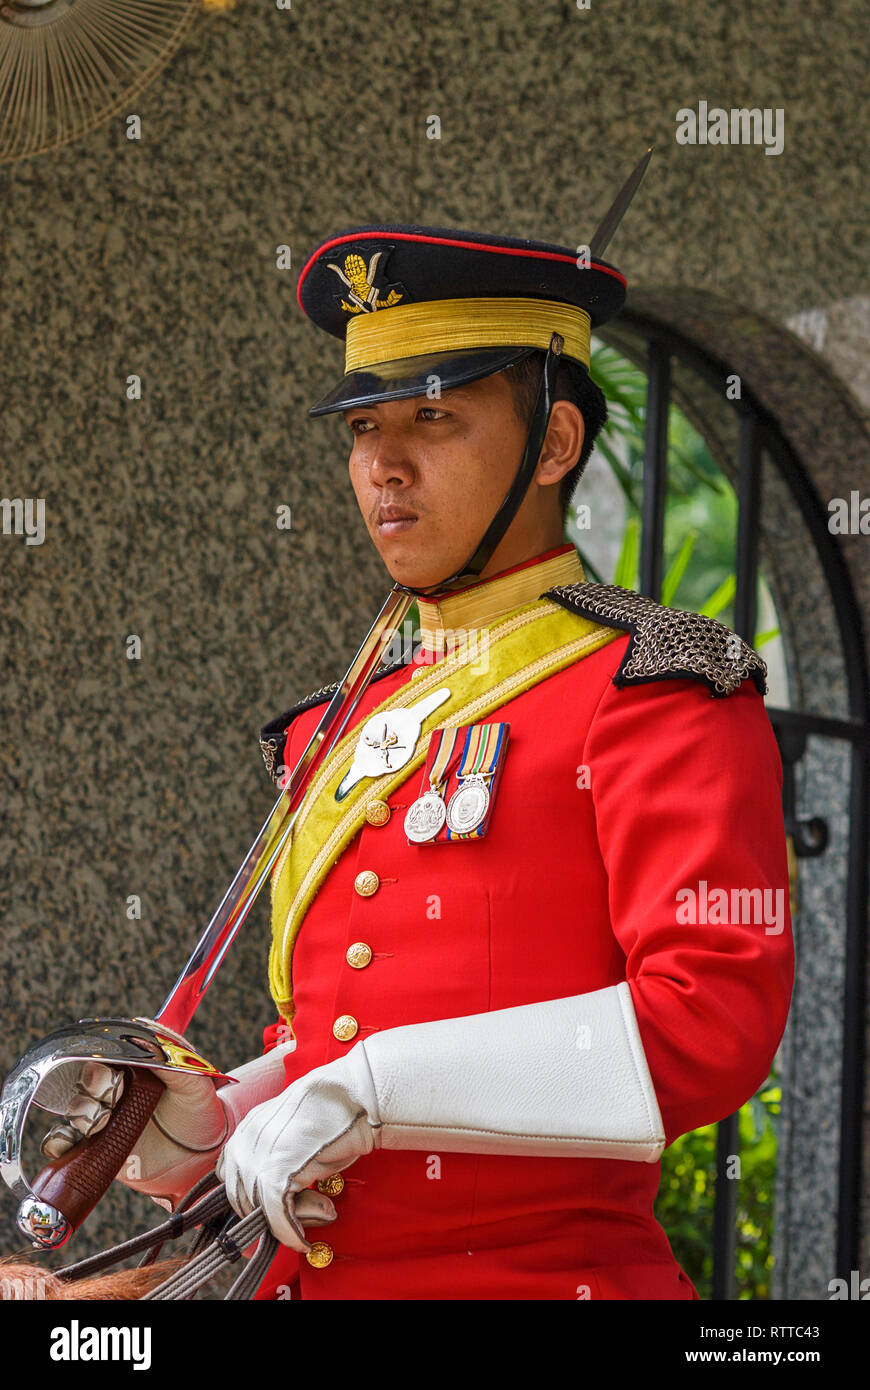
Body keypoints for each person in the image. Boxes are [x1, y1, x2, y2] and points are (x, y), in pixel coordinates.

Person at [43, 222, 794, 1301]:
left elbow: (708, 1017)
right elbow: (336, 1033)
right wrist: (229, 1118)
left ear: (552, 444)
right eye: (362, 426)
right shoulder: (346, 718)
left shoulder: (654, 684)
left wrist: (372, 1087)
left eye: (434, 417)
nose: (383, 465)